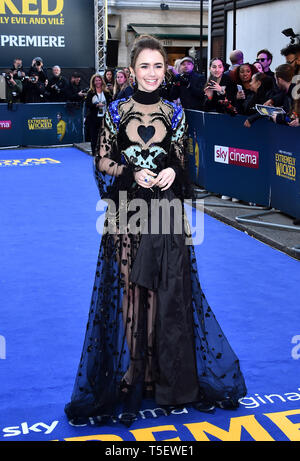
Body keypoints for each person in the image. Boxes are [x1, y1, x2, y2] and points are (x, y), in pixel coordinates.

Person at [64, 34, 247, 427]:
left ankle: (166, 376)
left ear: (166, 69)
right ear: (132, 70)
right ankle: (133, 375)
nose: (151, 73)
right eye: (144, 66)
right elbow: (101, 161)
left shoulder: (176, 112)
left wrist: (170, 171)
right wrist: (131, 171)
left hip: (166, 215)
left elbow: (183, 165)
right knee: (132, 294)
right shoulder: (114, 111)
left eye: (158, 66)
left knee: (168, 294)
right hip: (127, 213)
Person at [85, 73, 111, 155]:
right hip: (93, 118)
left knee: (104, 136)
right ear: (93, 82)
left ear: (102, 81)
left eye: (99, 80)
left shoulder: (106, 92)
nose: (98, 82)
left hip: (104, 117)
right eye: (96, 80)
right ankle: (94, 153)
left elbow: (111, 102)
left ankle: (104, 153)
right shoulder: (91, 92)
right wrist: (96, 105)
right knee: (94, 137)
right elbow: (87, 104)